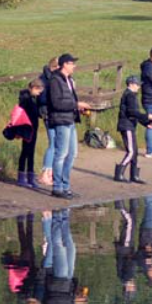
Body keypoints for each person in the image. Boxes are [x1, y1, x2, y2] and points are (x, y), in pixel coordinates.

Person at [47, 53, 92, 199]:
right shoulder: (55, 80)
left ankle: (65, 186)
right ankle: (57, 187)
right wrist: (76, 104)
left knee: (72, 154)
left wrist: (78, 109)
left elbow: (68, 101)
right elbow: (56, 103)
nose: (74, 66)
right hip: (60, 120)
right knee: (61, 154)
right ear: (65, 64)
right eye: (72, 63)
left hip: (70, 120)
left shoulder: (69, 80)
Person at [115, 76, 152, 184]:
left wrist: (146, 123)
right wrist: (148, 116)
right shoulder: (130, 95)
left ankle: (134, 175)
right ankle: (119, 173)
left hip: (130, 125)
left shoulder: (131, 95)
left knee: (135, 151)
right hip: (126, 126)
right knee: (131, 151)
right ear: (131, 84)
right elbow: (132, 112)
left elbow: (135, 114)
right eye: (138, 85)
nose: (139, 87)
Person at [17, 79, 44, 188]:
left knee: (31, 152)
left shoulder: (33, 98)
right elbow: (23, 113)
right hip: (27, 128)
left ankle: (30, 177)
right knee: (25, 152)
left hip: (33, 128)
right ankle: (21, 177)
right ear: (34, 88)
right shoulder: (26, 98)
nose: (40, 93)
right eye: (39, 91)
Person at [38, 57, 60, 185]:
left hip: (53, 113)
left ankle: (49, 172)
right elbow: (42, 98)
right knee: (53, 143)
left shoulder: (52, 78)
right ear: (55, 67)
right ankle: (44, 173)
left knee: (56, 143)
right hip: (48, 114)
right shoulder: (44, 79)